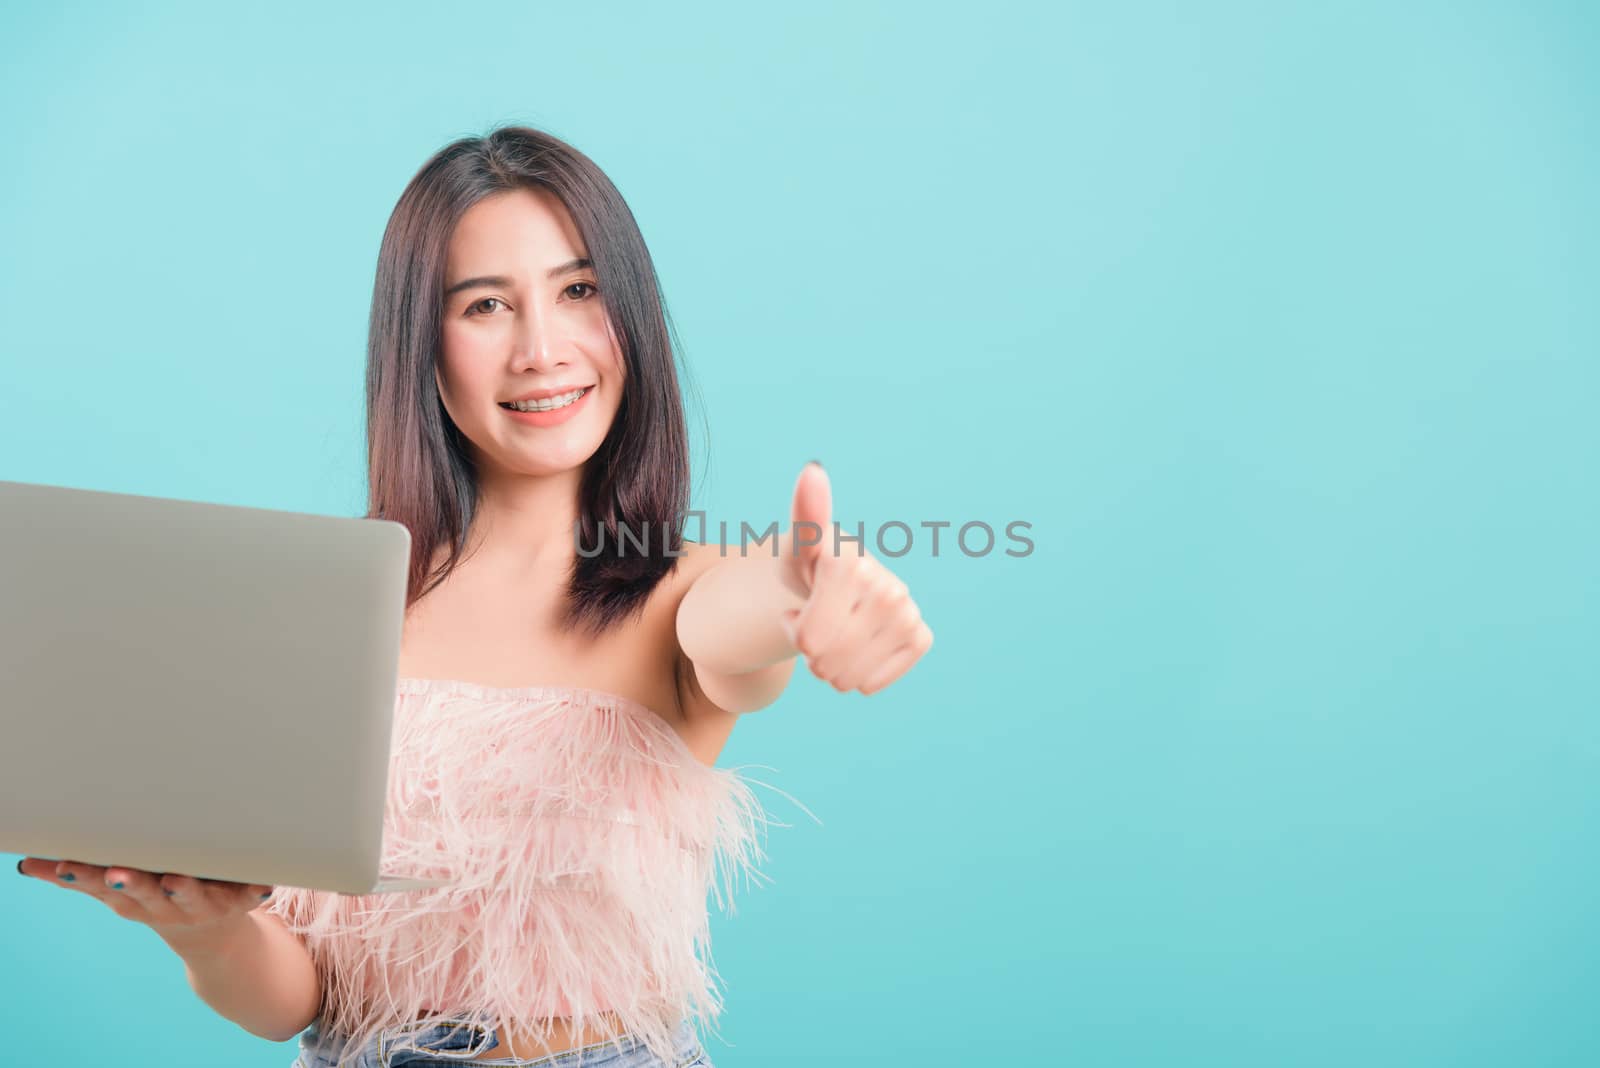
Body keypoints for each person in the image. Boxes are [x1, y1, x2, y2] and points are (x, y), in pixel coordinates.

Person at [15, 124, 932, 1067]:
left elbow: (736, 628)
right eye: (487, 305)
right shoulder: (337, 606)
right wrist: (204, 930)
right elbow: (299, 1002)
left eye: (579, 290)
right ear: (422, 345)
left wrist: (796, 595)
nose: (541, 349)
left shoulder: (677, 592)